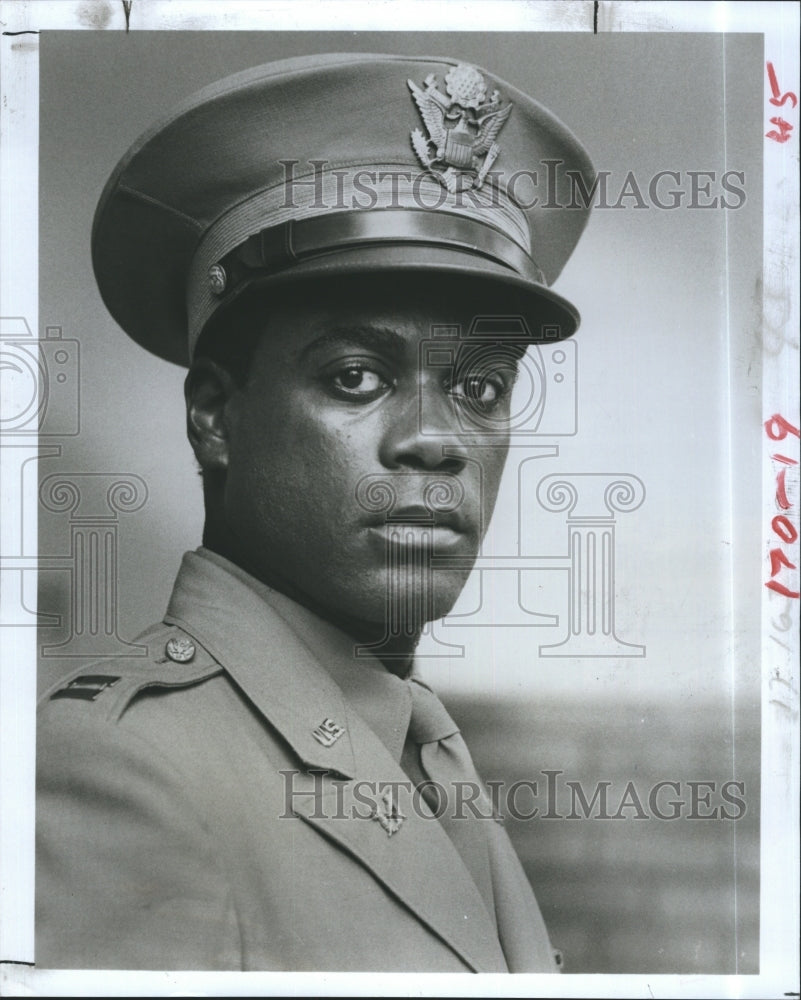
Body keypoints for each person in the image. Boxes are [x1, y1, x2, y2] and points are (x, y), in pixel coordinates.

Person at [36, 52, 594, 972]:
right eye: (355, 376)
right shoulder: (122, 769)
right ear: (215, 418)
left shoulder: (417, 739)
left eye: (481, 386)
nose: (435, 441)